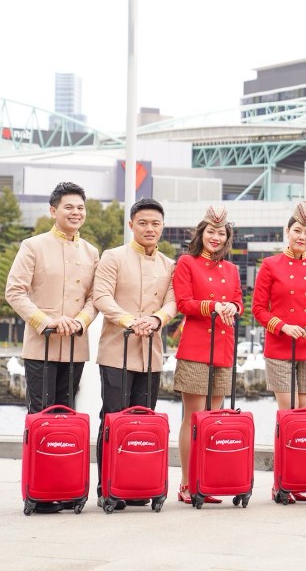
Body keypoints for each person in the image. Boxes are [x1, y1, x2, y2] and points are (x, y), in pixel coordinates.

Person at [5, 181, 98, 513]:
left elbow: (93, 299)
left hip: (75, 346)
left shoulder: (91, 252)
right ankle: (40, 489)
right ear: (53, 210)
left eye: (80, 208)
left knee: (67, 415)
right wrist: (46, 320)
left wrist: (82, 320)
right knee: (41, 415)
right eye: (69, 207)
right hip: (41, 345)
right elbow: (15, 292)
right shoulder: (33, 246)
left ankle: (66, 485)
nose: (75, 213)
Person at [92, 198, 176, 510]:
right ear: (131, 225)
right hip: (117, 350)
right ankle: (107, 487)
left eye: (155, 223)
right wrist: (129, 320)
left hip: (151, 353)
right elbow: (100, 295)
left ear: (162, 226)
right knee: (113, 418)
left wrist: (156, 320)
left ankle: (137, 484)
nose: (150, 228)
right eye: (143, 223)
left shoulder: (169, 265)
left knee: (143, 420)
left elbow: (173, 301)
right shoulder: (113, 257)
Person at [252, 201, 306, 503]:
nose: (301, 236)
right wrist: (281, 326)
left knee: (305, 415)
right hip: (280, 346)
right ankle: (282, 482)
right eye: (297, 230)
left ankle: (301, 477)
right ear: (287, 232)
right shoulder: (270, 266)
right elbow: (259, 309)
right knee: (287, 415)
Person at [171, 205, 243, 505]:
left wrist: (232, 307)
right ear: (201, 234)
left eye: (221, 233)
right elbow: (184, 303)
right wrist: (214, 306)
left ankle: (207, 479)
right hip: (197, 347)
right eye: (211, 232)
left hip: (223, 348)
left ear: (227, 238)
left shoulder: (232, 269)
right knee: (193, 417)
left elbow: (239, 301)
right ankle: (187, 483)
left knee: (213, 419)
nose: (215, 237)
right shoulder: (187, 263)